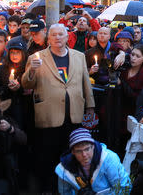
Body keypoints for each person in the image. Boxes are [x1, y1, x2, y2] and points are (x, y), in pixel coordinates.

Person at [21, 24, 95, 193]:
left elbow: (85, 82)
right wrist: (32, 69)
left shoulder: (79, 56)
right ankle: (49, 188)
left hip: (74, 115)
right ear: (48, 38)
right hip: (49, 116)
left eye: (61, 34)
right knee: (48, 157)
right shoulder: (36, 56)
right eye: (53, 35)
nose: (57, 38)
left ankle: (71, 188)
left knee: (73, 156)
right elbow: (27, 84)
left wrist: (90, 105)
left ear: (67, 36)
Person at [55, 128, 131, 194]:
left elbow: (124, 187)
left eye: (87, 149)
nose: (84, 154)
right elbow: (64, 193)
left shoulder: (109, 159)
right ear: (73, 152)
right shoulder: (64, 170)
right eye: (78, 151)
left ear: (93, 147)